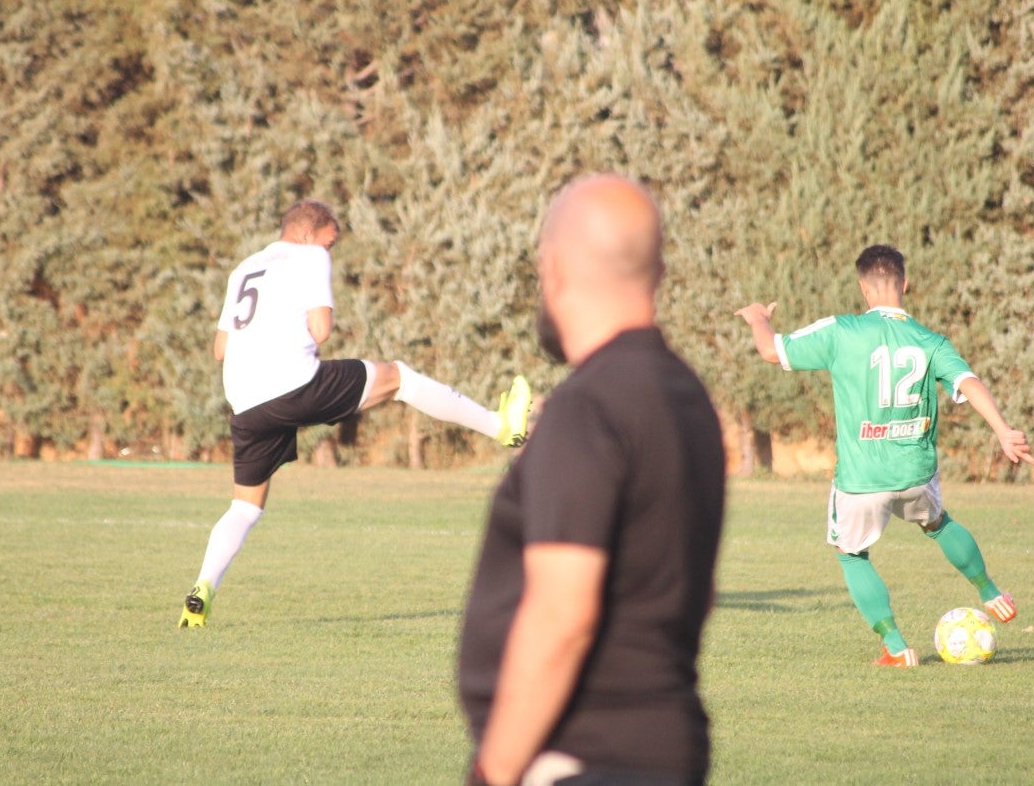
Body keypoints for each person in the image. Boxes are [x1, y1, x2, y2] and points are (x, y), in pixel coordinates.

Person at [457, 174, 726, 786]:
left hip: (582, 757)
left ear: (555, 268)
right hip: (663, 743)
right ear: (656, 271)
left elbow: (562, 614)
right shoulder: (688, 399)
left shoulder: (589, 407)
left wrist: (494, 772)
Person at [179, 198, 533, 628]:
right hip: (294, 384)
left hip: (246, 405)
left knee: (245, 507)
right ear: (309, 233)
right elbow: (321, 330)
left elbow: (220, 349)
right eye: (330, 243)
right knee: (399, 377)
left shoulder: (244, 268)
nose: (329, 252)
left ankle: (201, 591)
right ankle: (503, 427)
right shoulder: (309, 256)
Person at [734, 244, 1034, 667]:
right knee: (936, 522)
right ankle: (989, 591)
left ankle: (896, 646)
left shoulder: (841, 331)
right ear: (905, 284)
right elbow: (969, 382)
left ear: (863, 288)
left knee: (851, 553)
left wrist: (758, 318)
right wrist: (1003, 431)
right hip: (915, 471)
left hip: (861, 478)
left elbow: (771, 351)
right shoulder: (930, 341)